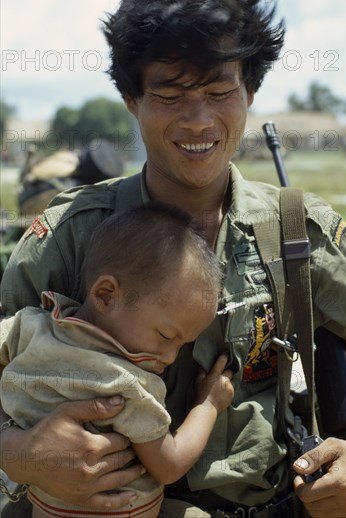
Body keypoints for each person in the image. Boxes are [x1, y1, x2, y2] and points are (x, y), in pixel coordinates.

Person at [0, 0, 346, 517]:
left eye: (219, 92)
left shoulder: (299, 233)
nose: (199, 120)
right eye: (170, 93)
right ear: (131, 100)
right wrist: (18, 454)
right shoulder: (68, 239)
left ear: (251, 92)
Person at [0, 203, 234, 518]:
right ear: (106, 295)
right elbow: (169, 465)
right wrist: (208, 405)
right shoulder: (127, 385)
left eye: (183, 345)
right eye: (166, 336)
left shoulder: (32, 326)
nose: (169, 356)